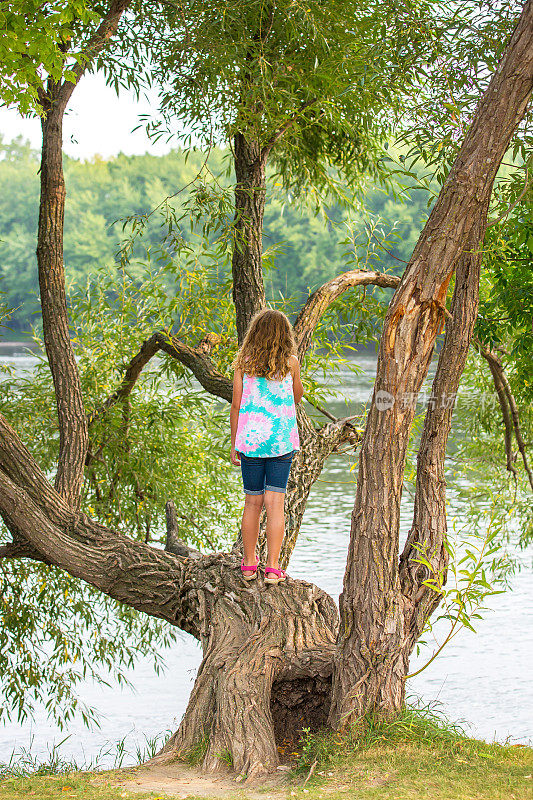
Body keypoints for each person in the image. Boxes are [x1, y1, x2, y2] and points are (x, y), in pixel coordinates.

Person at [230, 309, 304, 585]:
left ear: (255, 334)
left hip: (251, 440)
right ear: (284, 336)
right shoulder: (290, 363)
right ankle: (273, 567)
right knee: (275, 504)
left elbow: (236, 405)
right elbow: (296, 397)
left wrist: (236, 441)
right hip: (281, 442)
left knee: (252, 502)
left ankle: (249, 565)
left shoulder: (243, 364)